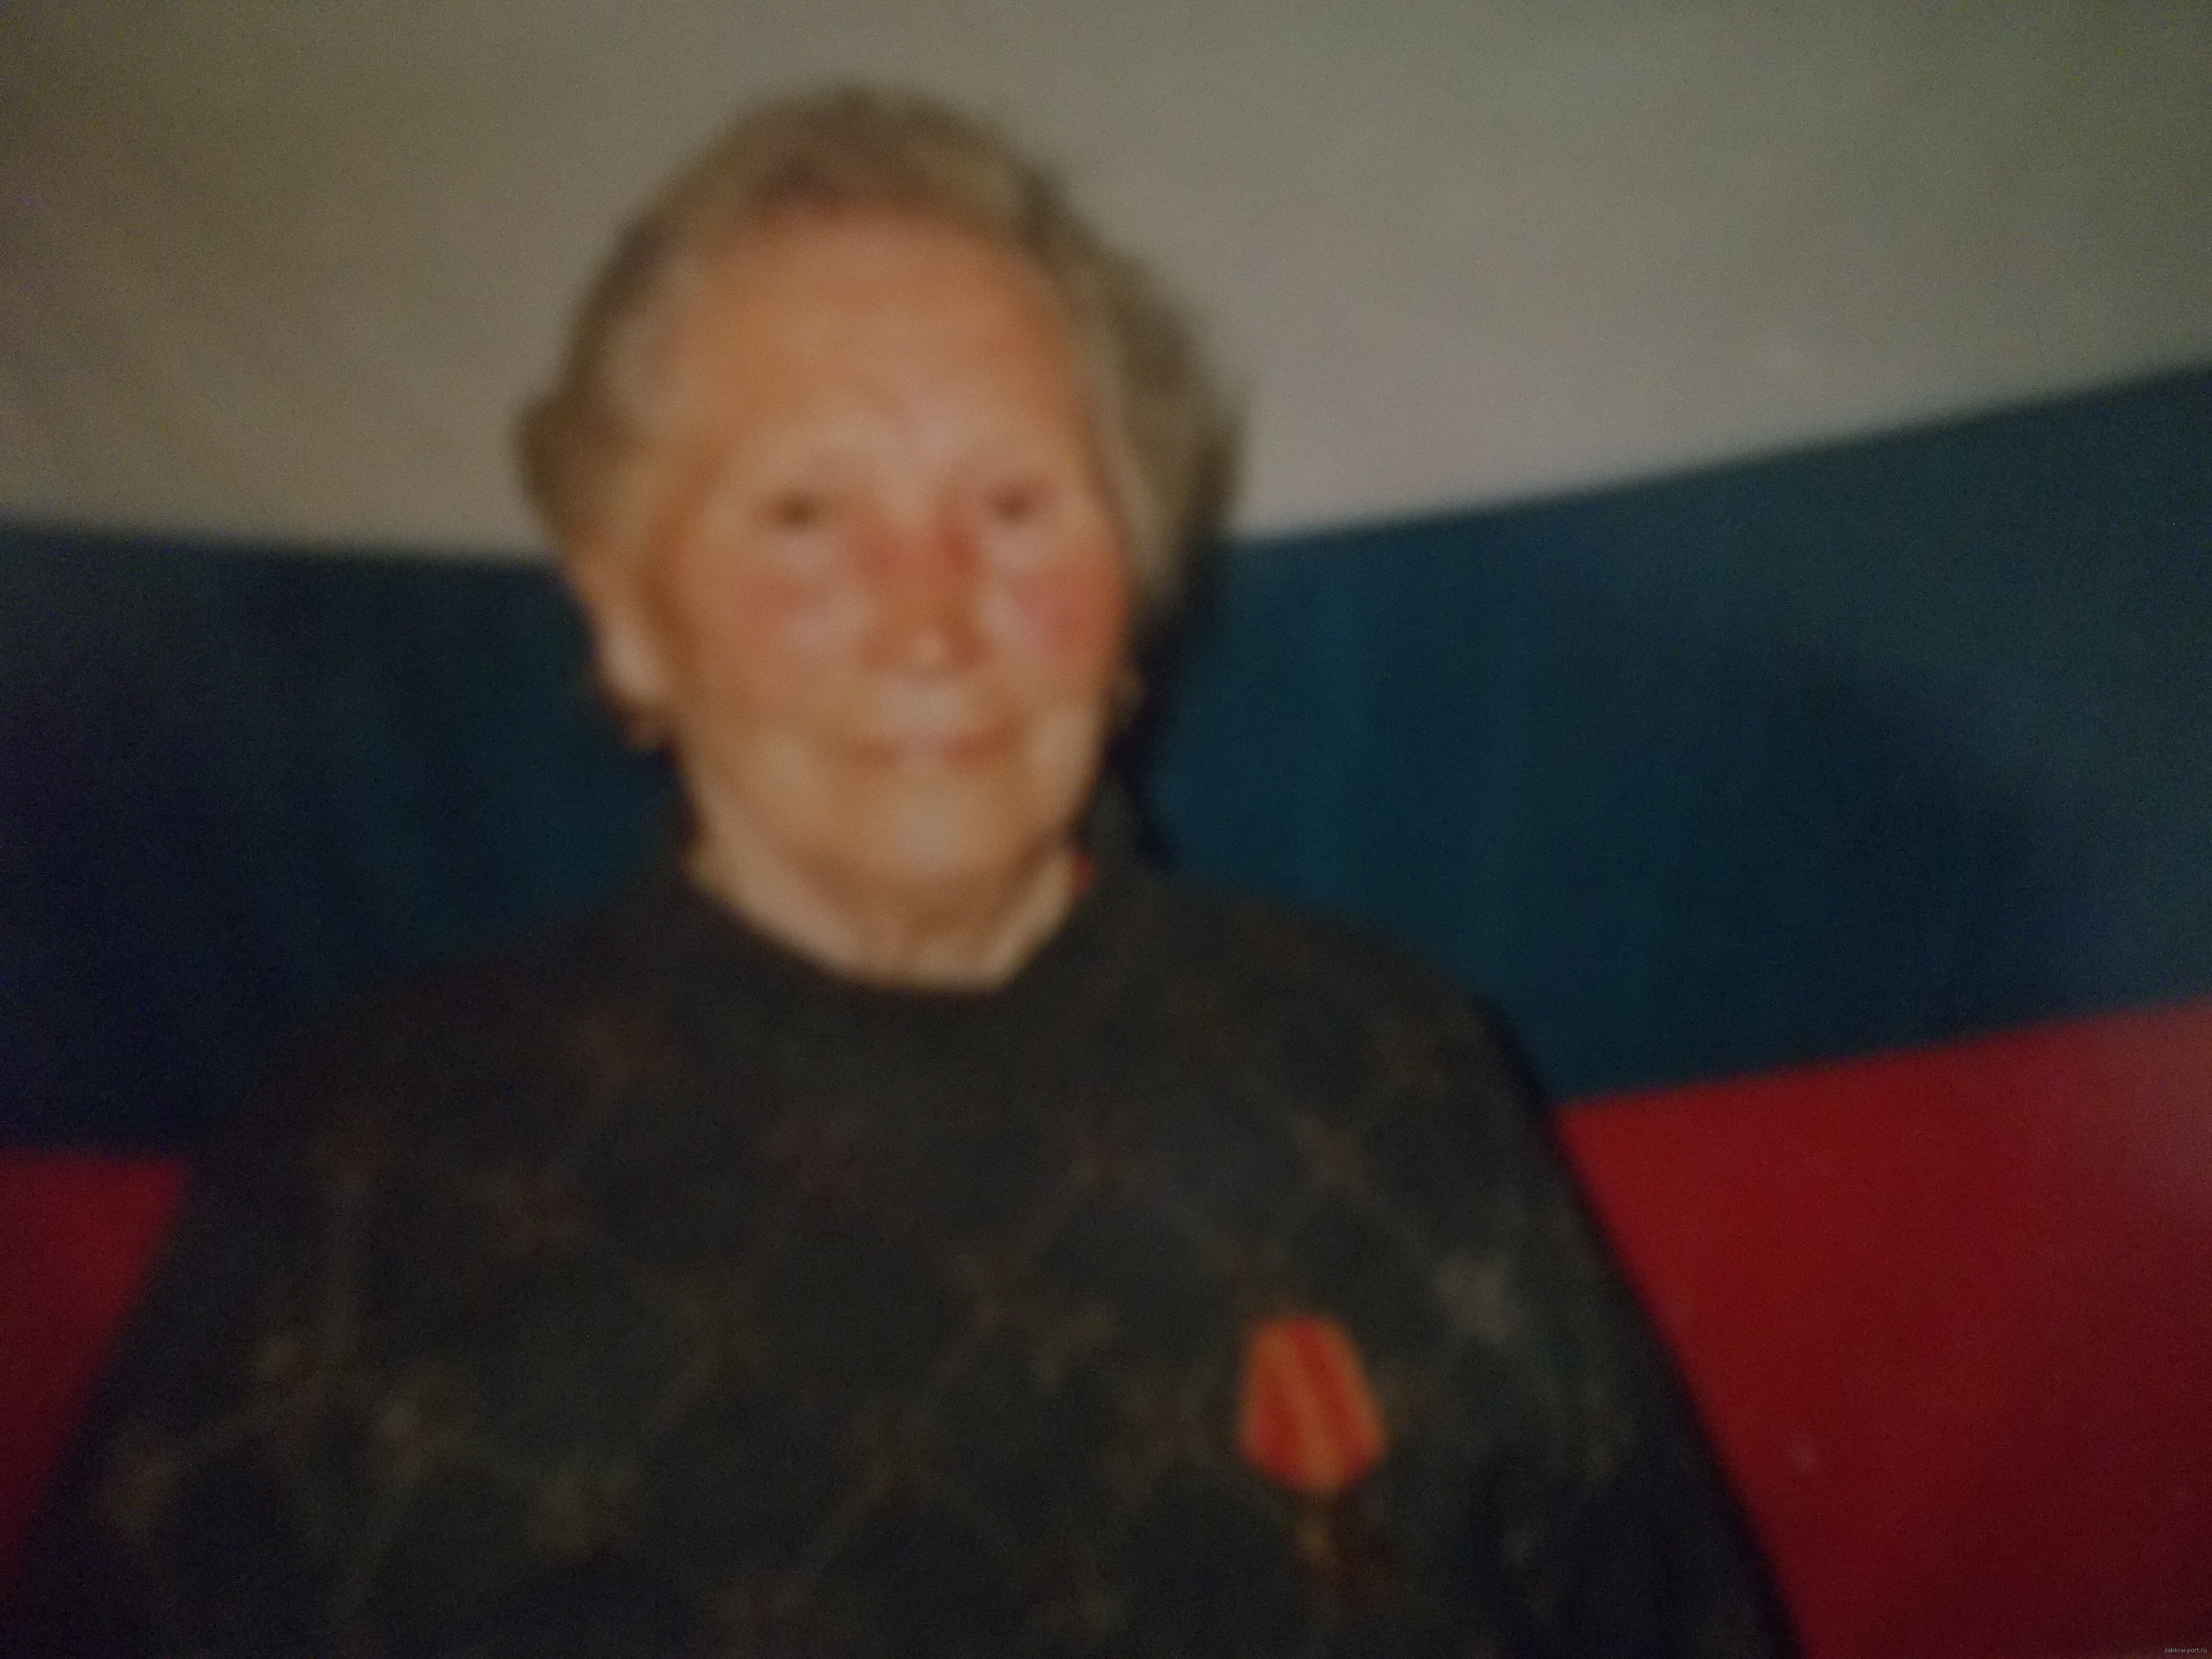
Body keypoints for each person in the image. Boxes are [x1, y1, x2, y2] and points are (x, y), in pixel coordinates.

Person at [8, 87, 1791, 1655]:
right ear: (629, 617)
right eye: (807, 516)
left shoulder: (1384, 1072)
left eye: (1013, 508)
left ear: (1132, 583)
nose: (932, 622)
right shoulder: (369, 1172)